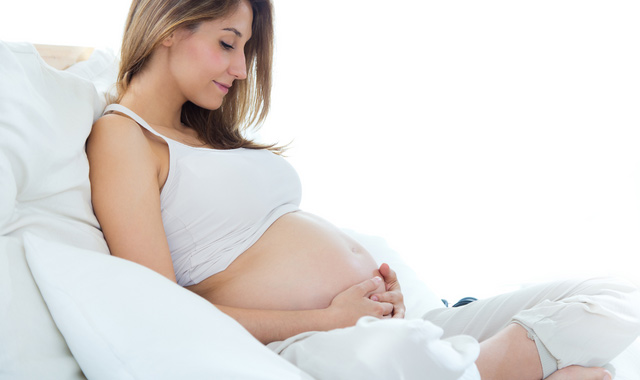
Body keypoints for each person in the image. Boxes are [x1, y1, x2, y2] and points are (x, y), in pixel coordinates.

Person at [85, 0, 640, 379]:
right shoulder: (122, 137)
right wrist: (330, 319)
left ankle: (470, 367)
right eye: (227, 43)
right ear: (168, 26)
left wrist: (370, 301)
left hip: (394, 326)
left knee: (616, 295)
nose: (238, 69)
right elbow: (162, 311)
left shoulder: (204, 133)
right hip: (323, 344)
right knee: (586, 372)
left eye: (245, 50)